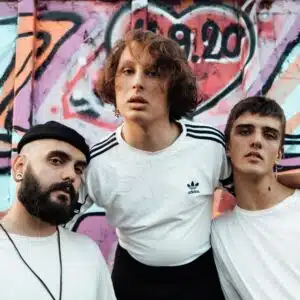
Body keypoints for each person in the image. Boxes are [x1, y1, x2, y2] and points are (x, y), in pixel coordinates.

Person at [79, 29, 232, 300]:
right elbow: (47, 220)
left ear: (173, 86)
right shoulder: (98, 162)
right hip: (133, 280)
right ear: (114, 84)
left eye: (152, 72)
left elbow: (259, 195)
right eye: (127, 71)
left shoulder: (209, 146)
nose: (137, 83)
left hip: (200, 279)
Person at [0, 121, 116, 300]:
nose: (71, 175)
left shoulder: (87, 253)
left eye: (78, 169)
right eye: (56, 161)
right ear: (19, 167)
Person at [211, 96, 300, 299]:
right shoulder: (219, 233)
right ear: (227, 147)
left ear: (279, 154)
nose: (257, 141)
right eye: (245, 131)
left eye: (269, 135)